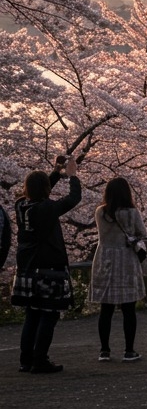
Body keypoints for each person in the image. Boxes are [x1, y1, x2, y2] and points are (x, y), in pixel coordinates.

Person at [11, 155, 81, 373]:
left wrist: (56, 170)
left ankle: (26, 359)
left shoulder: (21, 205)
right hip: (49, 268)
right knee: (49, 315)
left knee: (32, 314)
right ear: (46, 190)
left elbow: (41, 189)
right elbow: (73, 199)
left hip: (27, 268)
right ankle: (40, 359)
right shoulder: (47, 209)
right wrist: (72, 176)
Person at [89, 177, 147, 361]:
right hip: (126, 260)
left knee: (106, 309)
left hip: (105, 258)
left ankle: (104, 351)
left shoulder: (100, 212)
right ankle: (129, 351)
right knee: (129, 308)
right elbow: (142, 233)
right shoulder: (132, 212)